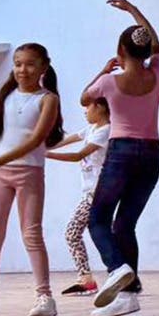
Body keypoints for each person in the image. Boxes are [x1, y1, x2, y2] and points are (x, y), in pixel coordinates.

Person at [0, 43, 65, 316]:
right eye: (18, 64)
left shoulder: (47, 99)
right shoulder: (5, 97)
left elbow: (35, 140)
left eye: (30, 64)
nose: (23, 70)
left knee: (31, 233)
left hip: (29, 172)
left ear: (44, 67)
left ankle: (45, 296)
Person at [82, 0, 159, 316]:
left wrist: (103, 70)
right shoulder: (158, 73)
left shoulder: (108, 82)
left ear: (120, 53)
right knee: (125, 224)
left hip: (121, 153)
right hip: (152, 154)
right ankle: (129, 296)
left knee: (98, 219)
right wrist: (134, 11)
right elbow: (156, 44)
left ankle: (117, 268)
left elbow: (84, 98)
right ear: (147, 53)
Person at [47, 97, 110, 296]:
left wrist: (44, 155)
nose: (85, 111)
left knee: (73, 233)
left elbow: (77, 156)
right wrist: (43, 146)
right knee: (102, 233)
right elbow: (67, 140)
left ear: (100, 107)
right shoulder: (91, 129)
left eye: (88, 107)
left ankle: (90, 279)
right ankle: (112, 275)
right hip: (90, 192)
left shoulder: (105, 131)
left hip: (97, 193)